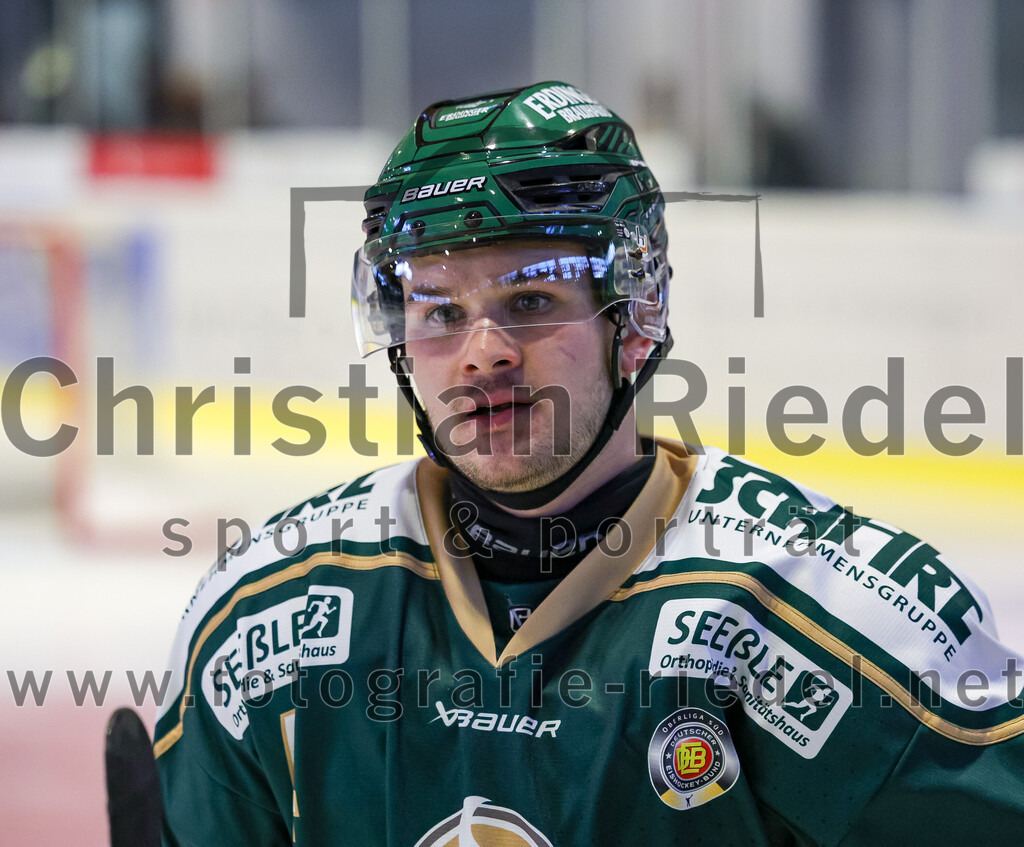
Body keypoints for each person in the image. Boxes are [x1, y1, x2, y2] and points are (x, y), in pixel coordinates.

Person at [154, 81, 1024, 846]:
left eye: (529, 299)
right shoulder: (270, 613)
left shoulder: (815, 620)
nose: (481, 353)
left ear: (633, 312)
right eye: (439, 311)